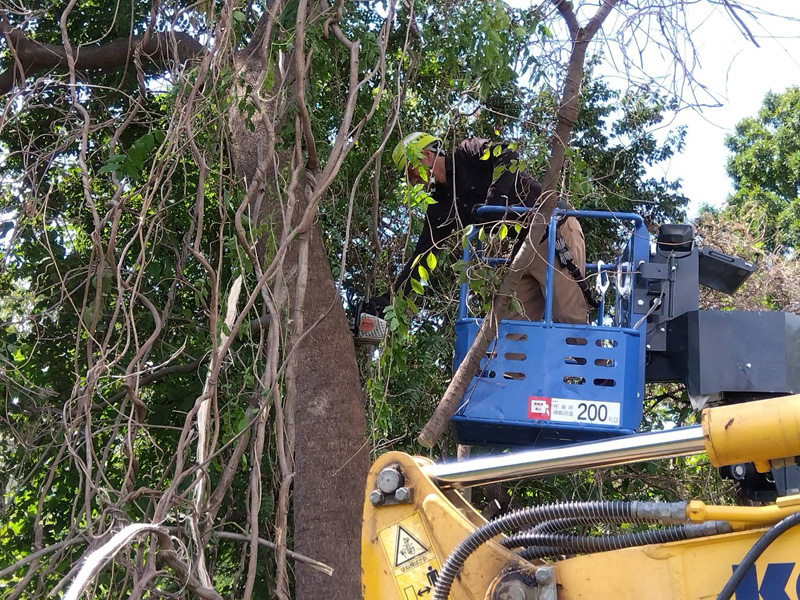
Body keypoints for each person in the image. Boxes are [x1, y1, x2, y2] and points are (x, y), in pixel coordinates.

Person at [365, 132, 588, 325]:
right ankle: (509, 375)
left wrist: (495, 200)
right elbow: (422, 257)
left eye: (410, 171)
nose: (412, 181)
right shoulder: (440, 207)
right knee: (507, 328)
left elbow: (507, 152)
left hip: (552, 228)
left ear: (426, 154)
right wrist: (389, 301)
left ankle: (603, 374)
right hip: (522, 248)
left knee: (569, 319)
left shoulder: (467, 153)